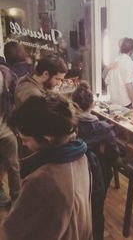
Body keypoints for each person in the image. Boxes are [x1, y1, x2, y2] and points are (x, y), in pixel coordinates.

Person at [0, 93, 93, 240]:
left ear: (47, 138)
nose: (23, 144)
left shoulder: (44, 181)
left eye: (26, 139)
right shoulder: (80, 155)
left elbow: (13, 233)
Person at [72, 81, 120, 240]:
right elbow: (114, 155)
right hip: (100, 174)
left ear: (74, 105)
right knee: (97, 210)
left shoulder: (69, 127)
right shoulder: (104, 128)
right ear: (92, 104)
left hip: (75, 174)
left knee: (78, 210)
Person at [0, 56, 20, 207]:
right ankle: (10, 197)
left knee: (13, 165)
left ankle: (16, 199)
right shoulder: (7, 74)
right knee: (11, 165)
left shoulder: (6, 75)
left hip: (5, 127)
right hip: (6, 126)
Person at [105, 37, 133, 109]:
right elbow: (129, 84)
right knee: (127, 120)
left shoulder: (115, 60)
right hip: (124, 101)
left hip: (114, 100)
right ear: (132, 50)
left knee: (115, 119)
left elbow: (107, 81)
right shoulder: (129, 63)